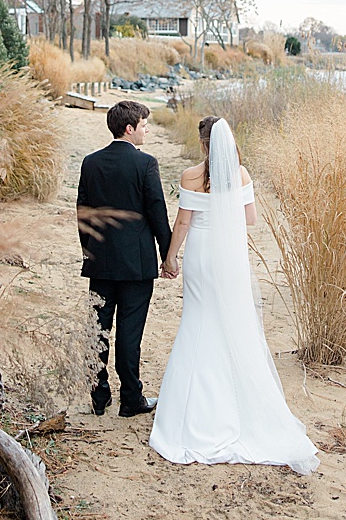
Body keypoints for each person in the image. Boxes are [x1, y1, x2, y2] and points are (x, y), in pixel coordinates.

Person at [148, 116, 319, 474]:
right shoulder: (241, 175)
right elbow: (250, 218)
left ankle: (195, 407)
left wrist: (170, 257)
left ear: (203, 144)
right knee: (231, 321)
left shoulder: (190, 176)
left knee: (197, 319)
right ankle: (237, 403)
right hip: (230, 256)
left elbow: (183, 222)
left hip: (200, 254)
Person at [76, 99, 173, 417]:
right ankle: (131, 398)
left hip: (100, 261)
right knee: (129, 333)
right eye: (144, 125)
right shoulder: (145, 164)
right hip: (136, 264)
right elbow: (157, 210)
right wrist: (167, 253)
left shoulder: (91, 162)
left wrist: (88, 249)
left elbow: (83, 212)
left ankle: (99, 394)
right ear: (129, 128)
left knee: (99, 329)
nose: (147, 130)